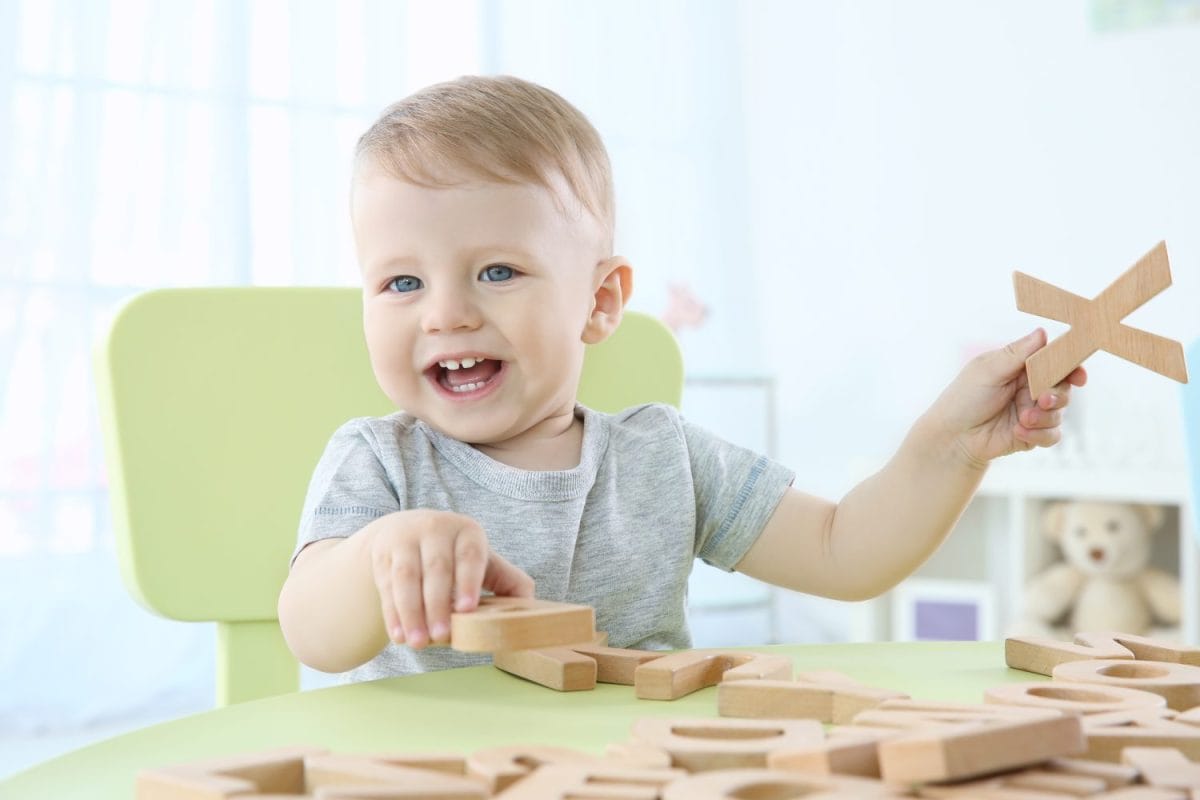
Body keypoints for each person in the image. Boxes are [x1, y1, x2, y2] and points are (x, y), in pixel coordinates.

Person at [276, 75, 1085, 682]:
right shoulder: (379, 462)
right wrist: (382, 555)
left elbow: (846, 553)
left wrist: (951, 447)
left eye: (495, 271)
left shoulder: (662, 459)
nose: (444, 314)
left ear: (598, 302)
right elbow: (312, 630)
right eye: (402, 284)